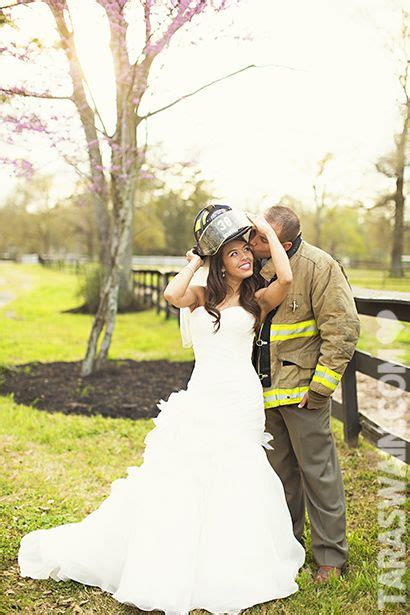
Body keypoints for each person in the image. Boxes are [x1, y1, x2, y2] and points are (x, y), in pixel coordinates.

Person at [18, 204, 305, 615]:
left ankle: (231, 562)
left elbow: (288, 276)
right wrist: (195, 261)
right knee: (185, 474)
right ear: (219, 262)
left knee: (237, 472)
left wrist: (265, 231)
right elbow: (173, 294)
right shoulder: (202, 295)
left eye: (247, 250)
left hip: (240, 399)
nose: (245, 256)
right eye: (234, 252)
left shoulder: (258, 299)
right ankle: (175, 556)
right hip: (203, 393)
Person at [249, 205, 360, 583]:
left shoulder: (319, 267)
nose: (252, 241)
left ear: (286, 243)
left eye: (261, 237)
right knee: (280, 476)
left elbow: (342, 329)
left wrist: (320, 389)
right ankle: (287, 546)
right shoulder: (251, 266)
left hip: (301, 395)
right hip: (263, 394)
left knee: (319, 473)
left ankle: (331, 557)